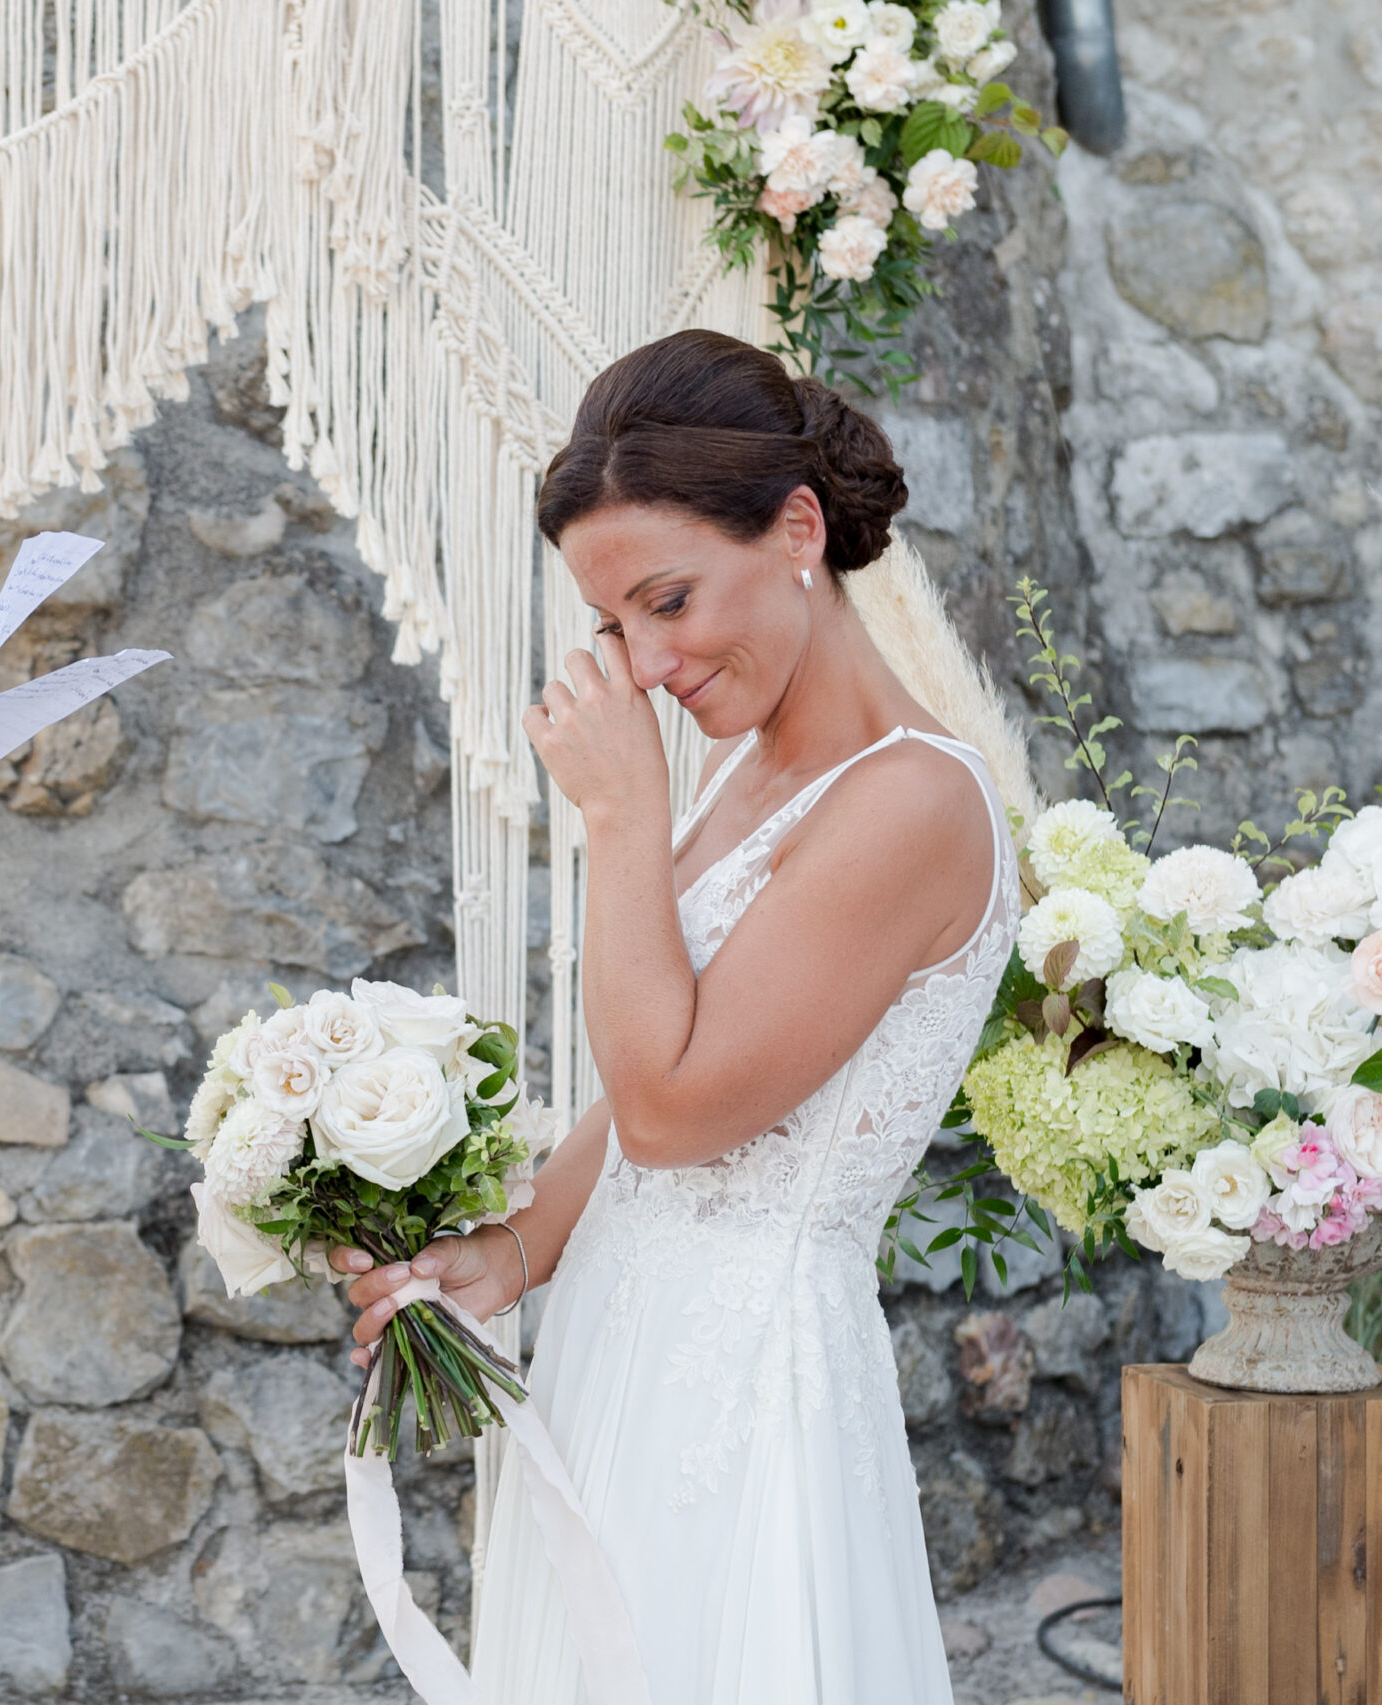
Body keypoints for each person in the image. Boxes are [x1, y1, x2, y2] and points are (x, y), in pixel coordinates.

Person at [339, 329, 1013, 1701]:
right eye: (614, 626)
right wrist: (512, 1250)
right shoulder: (742, 771)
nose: (643, 664)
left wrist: (620, 818)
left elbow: (673, 1108)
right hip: (618, 1348)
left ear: (798, 530)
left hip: (748, 1391)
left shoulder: (913, 801)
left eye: (668, 601)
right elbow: (655, 1080)